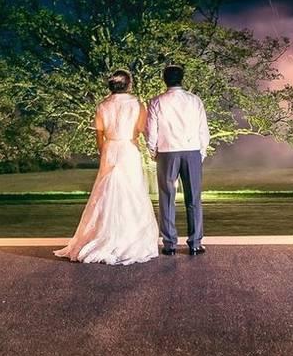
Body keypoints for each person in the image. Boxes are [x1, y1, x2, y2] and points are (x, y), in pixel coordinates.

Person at [54, 70, 159, 265]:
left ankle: (102, 235)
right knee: (133, 192)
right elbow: (142, 129)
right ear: (128, 84)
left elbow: (99, 135)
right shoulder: (137, 104)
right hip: (128, 148)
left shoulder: (102, 105)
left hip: (110, 148)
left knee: (104, 193)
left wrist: (105, 152)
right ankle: (130, 238)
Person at [146, 64, 211, 256]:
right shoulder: (195, 100)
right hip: (191, 151)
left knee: (166, 198)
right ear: (182, 78)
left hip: (167, 152)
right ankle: (195, 243)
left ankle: (169, 244)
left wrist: (153, 151)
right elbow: (203, 130)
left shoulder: (156, 102)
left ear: (164, 79)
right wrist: (201, 153)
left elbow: (151, 131)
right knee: (194, 198)